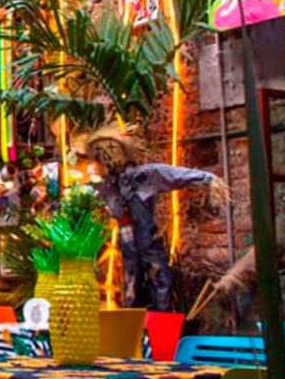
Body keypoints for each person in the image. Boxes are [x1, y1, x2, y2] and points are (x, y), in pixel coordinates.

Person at [82, 124, 229, 310]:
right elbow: (84, 196)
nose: (95, 165)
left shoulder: (142, 177)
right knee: (132, 286)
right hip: (128, 244)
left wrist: (206, 178)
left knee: (159, 280)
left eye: (97, 159)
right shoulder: (107, 187)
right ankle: (135, 321)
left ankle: (159, 319)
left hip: (147, 240)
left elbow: (172, 174)